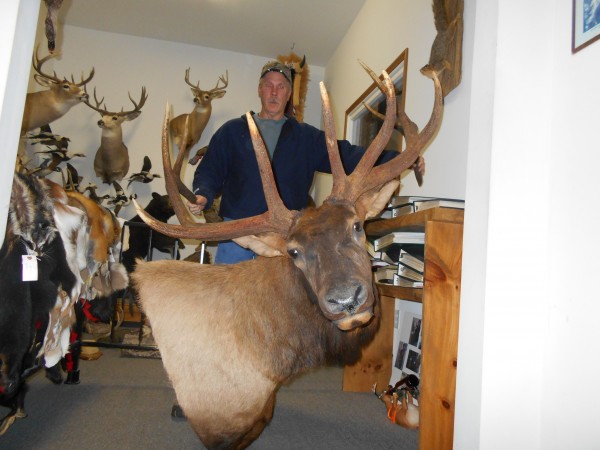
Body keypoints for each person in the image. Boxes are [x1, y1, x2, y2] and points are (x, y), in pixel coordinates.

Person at [188, 60, 424, 264]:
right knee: (230, 303)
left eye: (281, 87)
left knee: (282, 307)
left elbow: (348, 156)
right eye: (268, 86)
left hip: (286, 235)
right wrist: (202, 194)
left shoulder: (305, 137)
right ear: (259, 90)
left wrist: (402, 160)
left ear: (288, 94)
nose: (274, 92)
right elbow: (210, 169)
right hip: (239, 233)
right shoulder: (232, 131)